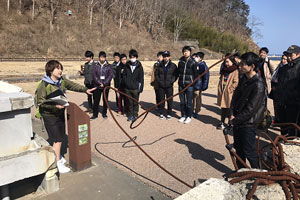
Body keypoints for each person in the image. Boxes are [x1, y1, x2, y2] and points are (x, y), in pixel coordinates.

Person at [36, 60, 95, 173]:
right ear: (50, 70)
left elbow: (72, 85)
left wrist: (85, 90)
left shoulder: (61, 81)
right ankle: (57, 163)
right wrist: (55, 107)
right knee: (57, 139)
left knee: (61, 136)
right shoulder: (44, 85)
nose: (60, 70)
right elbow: (41, 103)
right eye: (58, 68)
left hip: (59, 113)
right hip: (49, 115)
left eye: (61, 68)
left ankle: (58, 156)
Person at [230, 52, 266, 169]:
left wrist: (235, 120)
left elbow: (251, 109)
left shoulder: (258, 84)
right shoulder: (243, 78)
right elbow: (235, 98)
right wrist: (231, 114)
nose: (239, 67)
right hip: (238, 121)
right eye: (239, 64)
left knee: (249, 151)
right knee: (239, 150)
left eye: (243, 65)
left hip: (248, 123)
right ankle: (242, 172)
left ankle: (259, 175)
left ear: (252, 66)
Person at [274, 45, 300, 136]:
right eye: (287, 54)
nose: (289, 56)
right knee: (283, 124)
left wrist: (294, 98)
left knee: (293, 126)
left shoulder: (298, 67)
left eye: (291, 54)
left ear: (298, 54)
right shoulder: (284, 68)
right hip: (282, 101)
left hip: (294, 103)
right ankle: (283, 142)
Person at [217, 54, 239, 129]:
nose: (226, 63)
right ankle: (222, 122)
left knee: (230, 109)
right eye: (225, 62)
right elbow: (221, 79)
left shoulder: (235, 70)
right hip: (223, 91)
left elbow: (236, 82)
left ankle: (230, 123)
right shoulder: (224, 70)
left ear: (232, 61)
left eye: (227, 62)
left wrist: (230, 89)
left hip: (230, 93)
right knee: (223, 108)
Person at [177, 46, 198, 124]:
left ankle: (189, 116)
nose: (186, 53)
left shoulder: (193, 62)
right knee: (182, 102)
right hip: (181, 85)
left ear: (190, 52)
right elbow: (178, 72)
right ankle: (183, 115)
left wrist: (193, 84)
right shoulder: (180, 62)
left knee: (189, 102)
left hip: (189, 85)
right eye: (184, 51)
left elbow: (196, 75)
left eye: (187, 51)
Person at [155, 50, 178, 120]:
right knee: (161, 100)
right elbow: (156, 74)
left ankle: (169, 113)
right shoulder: (159, 65)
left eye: (167, 56)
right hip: (161, 86)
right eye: (164, 56)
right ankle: (161, 112)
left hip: (169, 86)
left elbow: (176, 75)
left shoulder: (173, 66)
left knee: (169, 100)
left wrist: (172, 81)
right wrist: (159, 81)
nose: (166, 58)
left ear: (169, 57)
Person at [122, 49, 144, 121]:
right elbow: (124, 75)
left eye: (134, 57)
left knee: (135, 102)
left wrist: (140, 88)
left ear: (136, 57)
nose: (132, 58)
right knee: (129, 102)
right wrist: (126, 82)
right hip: (127, 88)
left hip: (135, 88)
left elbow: (141, 78)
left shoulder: (139, 66)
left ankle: (135, 115)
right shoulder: (127, 65)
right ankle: (130, 115)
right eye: (131, 57)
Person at [90, 51, 113, 120]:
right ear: (99, 58)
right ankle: (95, 114)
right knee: (96, 100)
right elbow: (94, 75)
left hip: (106, 86)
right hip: (97, 85)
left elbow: (110, 76)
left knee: (105, 100)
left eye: (103, 57)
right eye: (101, 57)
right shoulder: (95, 66)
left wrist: (104, 83)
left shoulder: (109, 66)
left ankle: (104, 113)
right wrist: (99, 83)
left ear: (105, 58)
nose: (102, 59)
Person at [269, 54, 288, 122]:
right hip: (275, 88)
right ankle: (277, 118)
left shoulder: (287, 68)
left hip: (281, 90)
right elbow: (274, 76)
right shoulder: (279, 66)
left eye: (285, 59)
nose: (283, 60)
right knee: (275, 104)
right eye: (282, 58)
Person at [192, 52, 209, 118]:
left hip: (198, 85)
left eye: (197, 57)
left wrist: (204, 86)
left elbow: (206, 78)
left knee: (197, 99)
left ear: (201, 58)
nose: (196, 58)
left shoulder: (203, 66)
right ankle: (192, 110)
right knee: (192, 98)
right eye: (195, 56)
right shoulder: (195, 64)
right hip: (193, 84)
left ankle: (197, 111)